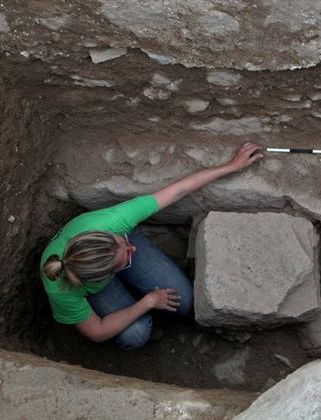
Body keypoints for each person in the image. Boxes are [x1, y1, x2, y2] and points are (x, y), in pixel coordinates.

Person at [40, 142, 264, 349]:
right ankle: (139, 316)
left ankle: (132, 278)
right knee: (135, 335)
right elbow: (97, 331)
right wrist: (147, 303)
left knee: (183, 301)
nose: (133, 250)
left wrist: (230, 166)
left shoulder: (110, 224)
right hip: (96, 279)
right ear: (104, 277)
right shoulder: (61, 289)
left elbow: (178, 190)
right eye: (127, 257)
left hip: (106, 257)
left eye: (123, 242)